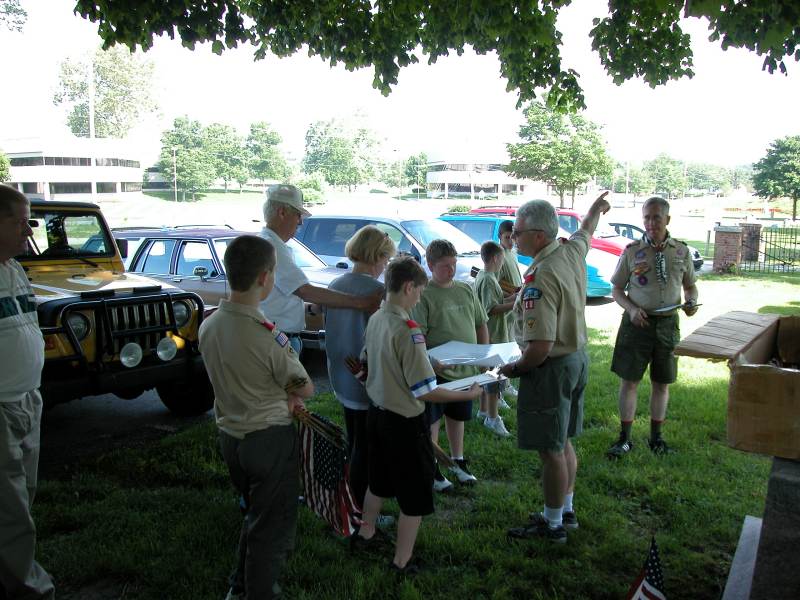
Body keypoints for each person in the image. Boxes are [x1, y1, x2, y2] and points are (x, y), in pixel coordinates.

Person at [199, 234, 314, 600]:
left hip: (231, 437)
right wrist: (291, 393)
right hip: (268, 439)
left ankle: (239, 586)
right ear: (266, 277)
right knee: (272, 528)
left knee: (254, 516)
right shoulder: (266, 335)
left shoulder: (210, 325)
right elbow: (305, 386)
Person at [351, 256, 482, 574]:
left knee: (378, 482)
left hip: (377, 416)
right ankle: (402, 561)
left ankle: (365, 534)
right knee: (415, 494)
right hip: (404, 425)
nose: (420, 297)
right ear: (408, 287)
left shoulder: (378, 319)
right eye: (420, 291)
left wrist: (430, 363)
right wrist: (467, 394)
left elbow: (374, 362)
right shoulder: (409, 330)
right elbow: (425, 391)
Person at [499, 192, 610, 543]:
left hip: (551, 368)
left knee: (550, 449)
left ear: (539, 236)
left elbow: (540, 348)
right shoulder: (570, 251)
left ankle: (552, 524)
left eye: (517, 233)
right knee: (563, 442)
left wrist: (511, 370)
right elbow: (586, 232)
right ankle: (566, 509)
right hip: (576, 360)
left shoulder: (541, 277)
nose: (513, 238)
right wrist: (594, 210)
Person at [606, 196, 699, 459]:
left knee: (662, 382)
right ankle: (624, 439)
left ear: (667, 220)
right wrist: (632, 309)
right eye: (646, 217)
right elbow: (616, 289)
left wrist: (691, 301)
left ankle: (656, 438)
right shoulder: (632, 251)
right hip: (637, 325)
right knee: (630, 381)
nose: (650, 222)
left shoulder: (681, 251)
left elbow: (690, 285)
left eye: (656, 217)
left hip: (668, 324)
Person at [0, 184, 56, 599]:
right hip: (1, 407)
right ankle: (29, 589)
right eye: (19, 220)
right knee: (10, 511)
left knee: (23, 498)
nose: (28, 229)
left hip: (27, 399)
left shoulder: (14, 269)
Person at [324, 225, 396, 523]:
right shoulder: (377, 292)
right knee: (366, 451)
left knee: (354, 442)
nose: (386, 266)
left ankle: (348, 503)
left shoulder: (336, 283)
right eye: (386, 259)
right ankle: (359, 512)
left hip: (340, 376)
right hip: (365, 380)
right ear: (377, 256)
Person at [258, 184, 381, 354]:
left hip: (281, 336)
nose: (301, 221)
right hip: (278, 339)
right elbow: (304, 290)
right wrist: (363, 302)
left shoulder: (272, 244)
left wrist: (311, 307)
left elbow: (282, 297)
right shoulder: (272, 246)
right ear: (282, 212)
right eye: (298, 215)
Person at [411, 239, 489, 491]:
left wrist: (483, 355)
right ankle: (433, 466)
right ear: (431, 265)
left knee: (459, 416)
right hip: (438, 370)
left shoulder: (466, 289)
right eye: (445, 266)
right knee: (432, 419)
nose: (451, 270)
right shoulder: (424, 294)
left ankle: (458, 459)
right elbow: (419, 336)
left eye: (454, 264)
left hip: (466, 369)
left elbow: (480, 322)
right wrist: (430, 363)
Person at [473, 240, 516, 437]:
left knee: (486, 373)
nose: (502, 262)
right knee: (494, 375)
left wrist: (513, 298)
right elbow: (492, 309)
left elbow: (494, 302)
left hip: (489, 335)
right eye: (502, 259)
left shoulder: (483, 275)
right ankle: (493, 418)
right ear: (496, 258)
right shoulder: (489, 279)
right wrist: (515, 304)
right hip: (494, 334)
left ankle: (483, 411)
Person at [498, 219, 523, 398]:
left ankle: (505, 384)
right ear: (500, 237)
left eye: (512, 237)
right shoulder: (499, 255)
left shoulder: (511, 253)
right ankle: (501, 386)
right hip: (505, 305)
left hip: (514, 306)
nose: (511, 240)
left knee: (510, 346)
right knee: (503, 348)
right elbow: (496, 282)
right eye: (507, 237)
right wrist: (512, 291)